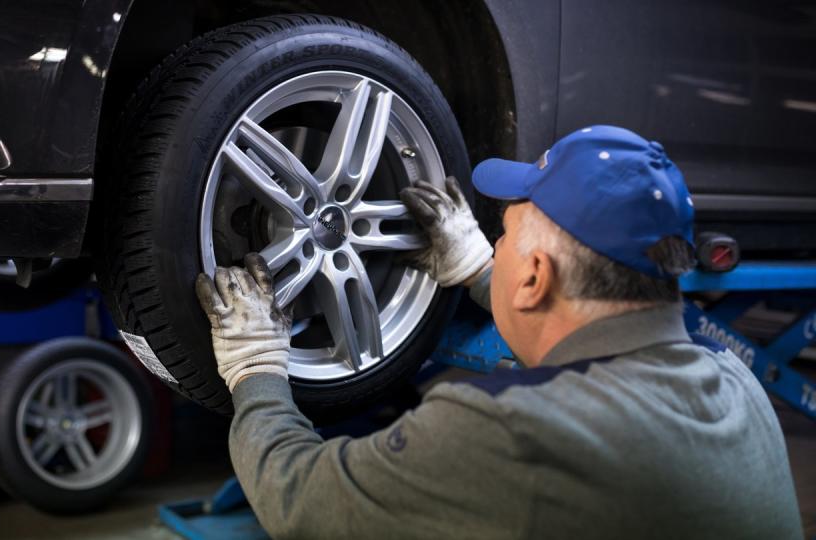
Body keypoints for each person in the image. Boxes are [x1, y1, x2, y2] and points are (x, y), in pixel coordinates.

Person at [195, 125, 803, 539]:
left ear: (535, 277)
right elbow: (591, 354)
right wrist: (486, 273)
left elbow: (295, 496)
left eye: (505, 236)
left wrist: (256, 368)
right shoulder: (740, 384)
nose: (497, 245)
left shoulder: (507, 432)